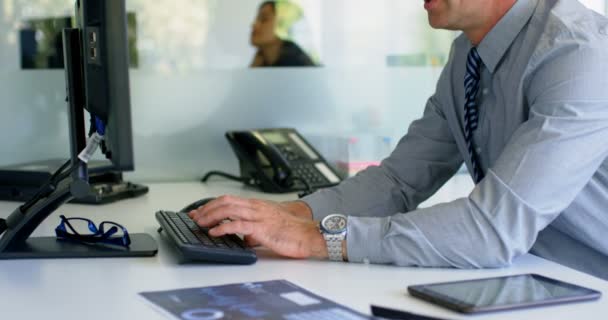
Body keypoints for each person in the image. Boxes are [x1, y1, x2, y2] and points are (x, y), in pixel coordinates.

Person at [191, 0, 608, 280]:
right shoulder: (468, 57)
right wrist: (289, 214)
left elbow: (492, 229)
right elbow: (398, 181)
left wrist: (316, 238)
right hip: (537, 275)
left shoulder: (578, 55)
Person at [250, 1, 316, 67]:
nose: (254, 25)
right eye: (256, 19)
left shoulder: (295, 59)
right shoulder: (260, 59)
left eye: (264, 19)